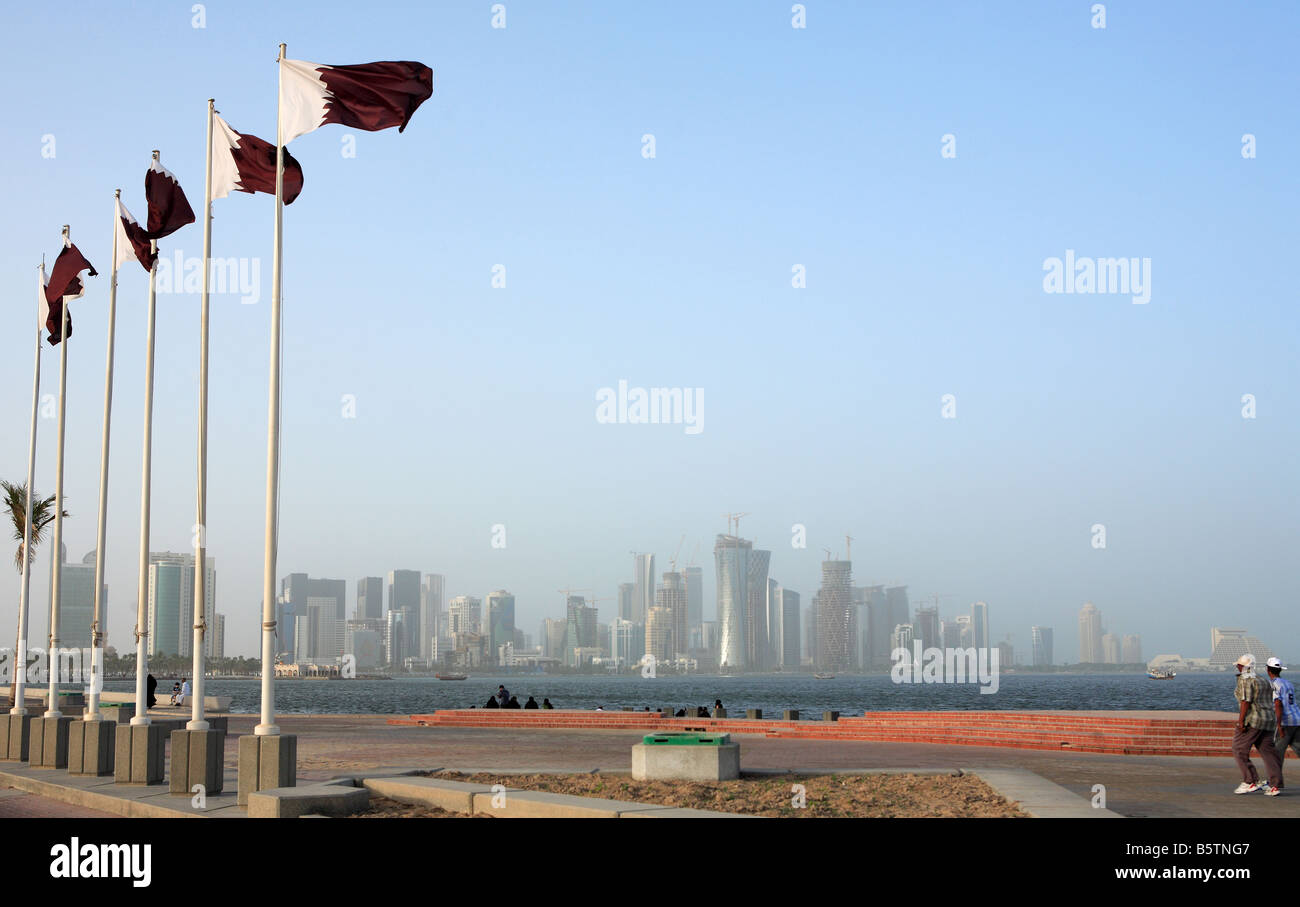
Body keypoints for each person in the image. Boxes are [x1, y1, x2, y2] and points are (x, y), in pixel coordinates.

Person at [1233, 654, 1282, 795]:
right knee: (1268, 752)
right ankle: (1275, 784)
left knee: (1238, 748)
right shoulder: (1263, 680)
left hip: (1254, 720)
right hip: (1268, 720)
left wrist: (1241, 722)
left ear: (1242, 667)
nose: (1237, 667)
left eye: (1239, 665)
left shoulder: (1246, 679)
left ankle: (1250, 781)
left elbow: (1245, 701)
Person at [1268, 657, 1300, 787]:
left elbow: (1278, 705)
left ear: (1268, 669)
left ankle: (1275, 784)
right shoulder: (1288, 683)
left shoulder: (1274, 684)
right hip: (1297, 720)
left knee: (1276, 755)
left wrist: (1279, 725)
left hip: (1286, 723)